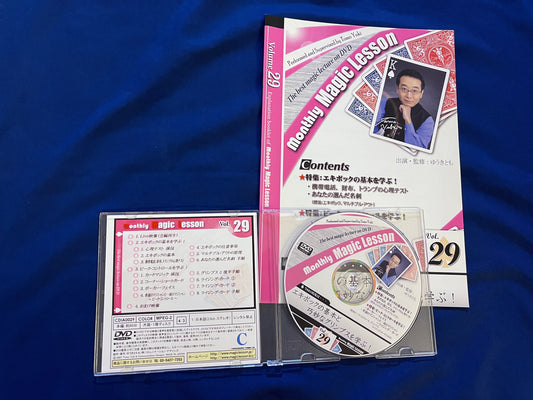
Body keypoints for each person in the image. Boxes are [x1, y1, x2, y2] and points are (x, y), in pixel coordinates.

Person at [374, 69, 435, 149]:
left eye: (414, 91)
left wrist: (408, 121)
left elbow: (418, 149)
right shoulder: (385, 103)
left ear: (421, 93)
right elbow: (371, 128)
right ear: (397, 89)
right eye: (404, 89)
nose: (409, 95)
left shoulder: (427, 120)